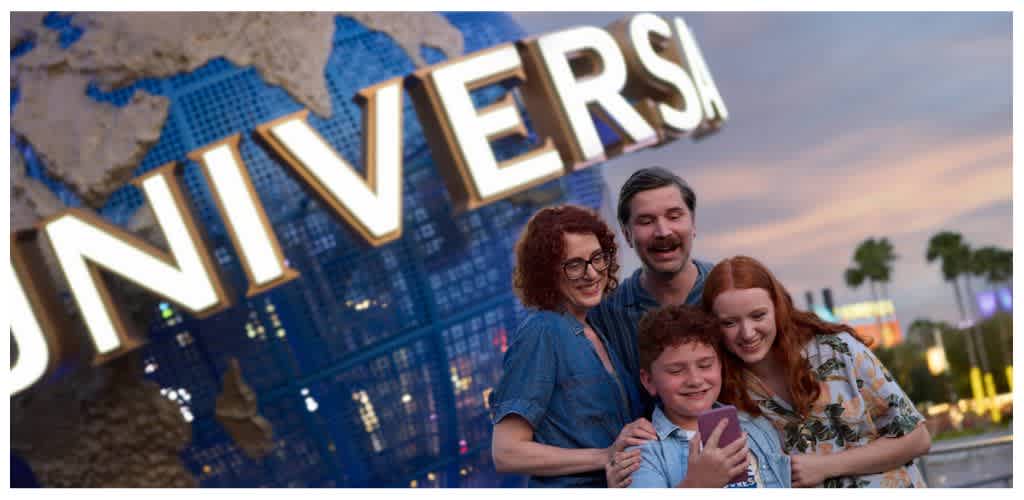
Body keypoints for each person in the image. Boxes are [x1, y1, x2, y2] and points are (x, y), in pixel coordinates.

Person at [702, 255, 931, 488]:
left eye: (758, 315)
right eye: (730, 323)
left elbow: (918, 438)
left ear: (777, 308)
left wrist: (827, 466)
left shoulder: (836, 349)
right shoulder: (720, 389)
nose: (747, 333)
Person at [489, 205, 656, 487]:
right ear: (547, 273)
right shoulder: (543, 330)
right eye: (574, 265)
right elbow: (506, 452)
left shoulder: (593, 330)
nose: (592, 274)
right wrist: (605, 456)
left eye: (597, 258)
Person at [588, 167, 713, 485]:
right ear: (627, 235)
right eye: (646, 221)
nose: (662, 231)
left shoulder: (727, 291)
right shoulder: (605, 315)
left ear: (693, 223)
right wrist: (611, 455)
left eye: (674, 216)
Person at [620, 304, 790, 488]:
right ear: (649, 381)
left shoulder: (757, 425)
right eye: (676, 370)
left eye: (705, 365)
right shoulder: (642, 454)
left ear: (720, 367)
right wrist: (697, 485)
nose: (695, 380)